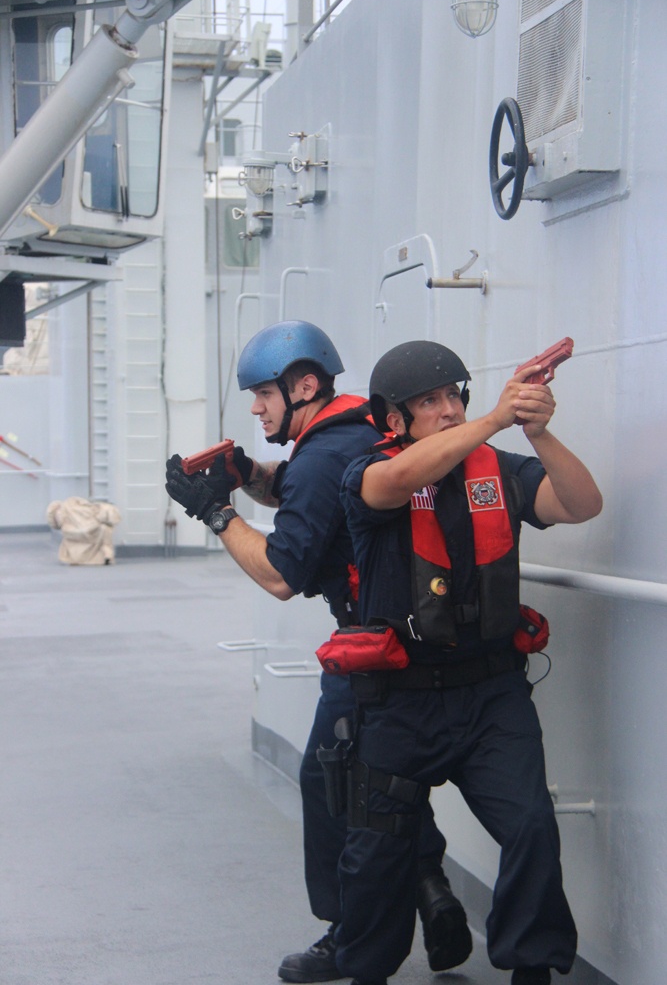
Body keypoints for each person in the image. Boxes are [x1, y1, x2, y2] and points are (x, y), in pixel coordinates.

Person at [163, 322, 472, 983]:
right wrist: (242, 474)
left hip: (374, 648)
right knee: (385, 781)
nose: (255, 408)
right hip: (424, 640)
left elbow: (280, 574)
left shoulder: (324, 455)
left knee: (335, 784)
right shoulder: (351, 430)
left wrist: (217, 513)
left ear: (303, 386)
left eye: (262, 394)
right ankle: (428, 886)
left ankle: (346, 933)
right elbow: (300, 490)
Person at [335, 340, 603, 985]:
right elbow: (400, 481)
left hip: (492, 699)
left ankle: (530, 968)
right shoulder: (367, 473)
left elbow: (579, 505)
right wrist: (498, 416)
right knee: (375, 856)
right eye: (431, 402)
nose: (451, 410)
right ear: (394, 420)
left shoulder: (501, 469)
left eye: (456, 396)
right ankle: (366, 967)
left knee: (532, 827)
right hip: (399, 702)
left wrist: (538, 434)